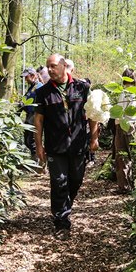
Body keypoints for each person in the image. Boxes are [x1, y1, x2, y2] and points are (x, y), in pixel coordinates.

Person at [34, 53, 99, 239]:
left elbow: (93, 114)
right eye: (48, 66)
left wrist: (94, 138)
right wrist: (39, 146)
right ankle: (62, 222)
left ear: (63, 65)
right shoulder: (43, 92)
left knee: (76, 179)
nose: (49, 70)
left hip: (79, 145)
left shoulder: (82, 87)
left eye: (53, 66)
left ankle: (64, 206)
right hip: (56, 147)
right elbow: (38, 121)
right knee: (59, 181)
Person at [114, 69, 136, 193]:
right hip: (133, 124)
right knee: (130, 155)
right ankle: (130, 184)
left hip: (124, 125)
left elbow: (120, 111)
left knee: (122, 155)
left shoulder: (125, 93)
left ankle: (124, 186)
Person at [20, 67, 43, 158]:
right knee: (27, 140)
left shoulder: (39, 87)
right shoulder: (32, 87)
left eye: (26, 77)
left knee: (32, 140)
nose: (25, 80)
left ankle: (37, 162)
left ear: (33, 76)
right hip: (30, 116)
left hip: (35, 116)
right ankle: (36, 159)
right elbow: (26, 99)